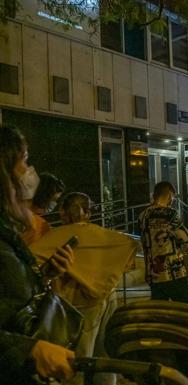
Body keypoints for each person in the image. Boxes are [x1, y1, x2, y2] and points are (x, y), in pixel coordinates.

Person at [30, 192, 138, 385]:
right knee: (105, 357)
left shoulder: (55, 237)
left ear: (63, 213)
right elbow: (130, 246)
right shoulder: (102, 235)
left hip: (79, 304)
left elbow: (31, 259)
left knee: (77, 362)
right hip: (108, 297)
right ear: (87, 212)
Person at [0, 124, 76, 384]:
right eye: (24, 160)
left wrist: (45, 275)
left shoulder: (7, 228)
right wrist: (27, 349)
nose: (29, 171)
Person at [139, 181, 188, 303]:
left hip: (153, 273)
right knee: (187, 309)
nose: (172, 200)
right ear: (169, 195)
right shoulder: (170, 214)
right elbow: (187, 238)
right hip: (173, 271)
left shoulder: (143, 215)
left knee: (160, 312)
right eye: (172, 197)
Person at [22, 172, 66, 245]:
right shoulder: (40, 225)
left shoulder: (15, 211)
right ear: (44, 197)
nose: (53, 205)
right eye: (52, 200)